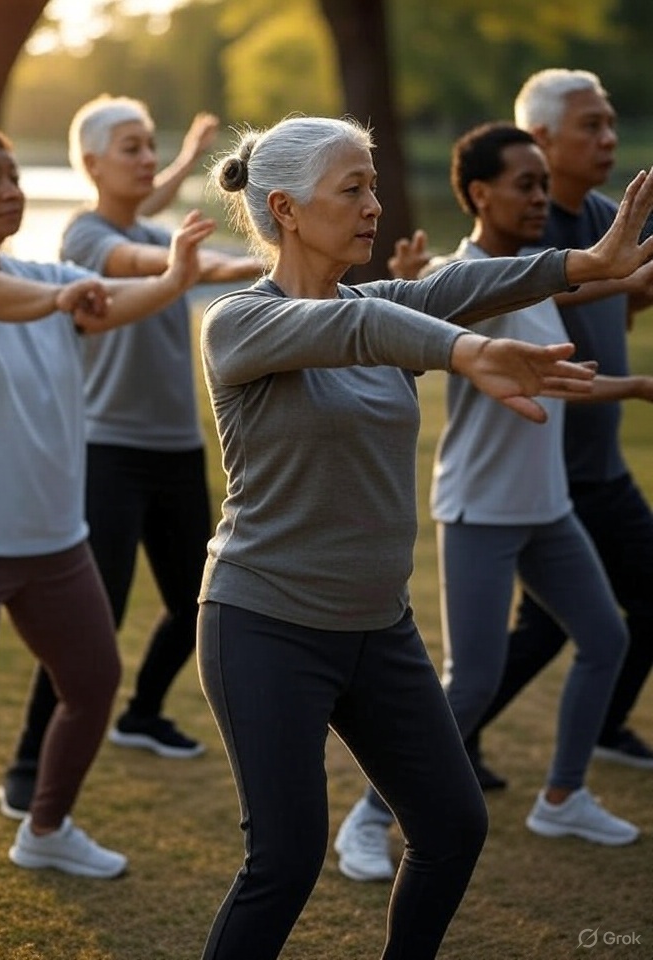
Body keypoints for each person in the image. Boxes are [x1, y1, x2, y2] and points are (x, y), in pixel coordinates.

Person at [195, 114, 653, 960]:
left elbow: (459, 287)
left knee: (451, 827)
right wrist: (465, 353)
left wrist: (583, 264)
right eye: (354, 189)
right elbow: (358, 333)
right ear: (287, 210)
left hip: (378, 628)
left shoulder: (379, 303)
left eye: (373, 184)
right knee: (285, 863)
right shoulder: (238, 324)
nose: (374, 204)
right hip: (265, 624)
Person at [334, 121, 652, 882]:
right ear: (479, 193)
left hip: (546, 508)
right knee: (470, 681)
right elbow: (426, 322)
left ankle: (563, 795)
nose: (543, 197)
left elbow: (558, 375)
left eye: (546, 184)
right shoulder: (466, 277)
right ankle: (369, 817)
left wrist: (637, 378)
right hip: (480, 510)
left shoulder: (526, 274)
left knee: (605, 639)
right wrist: (413, 288)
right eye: (526, 184)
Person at [0, 120, 215, 877]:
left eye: (12, 177)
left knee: (93, 685)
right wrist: (67, 299)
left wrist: (174, 280)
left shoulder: (51, 280)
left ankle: (46, 827)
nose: (10, 191)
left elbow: (114, 302)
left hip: (54, 543)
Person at [0, 96, 263, 819]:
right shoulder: (85, 237)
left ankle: (142, 711)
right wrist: (233, 263)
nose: (147, 159)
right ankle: (26, 764)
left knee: (195, 604)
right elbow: (143, 260)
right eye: (131, 148)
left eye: (152, 147)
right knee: (92, 618)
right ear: (91, 165)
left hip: (175, 452)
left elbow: (155, 225)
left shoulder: (152, 222)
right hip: (106, 452)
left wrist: (183, 165)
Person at [465, 69, 653, 785]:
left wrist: (631, 304)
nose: (607, 139)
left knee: (605, 616)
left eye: (611, 124)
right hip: (548, 471)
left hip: (600, 467)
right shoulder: (521, 235)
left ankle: (594, 735)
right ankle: (447, 751)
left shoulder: (616, 216)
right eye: (590, 126)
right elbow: (561, 302)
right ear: (537, 140)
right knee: (543, 631)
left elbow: (616, 302)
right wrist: (635, 380)